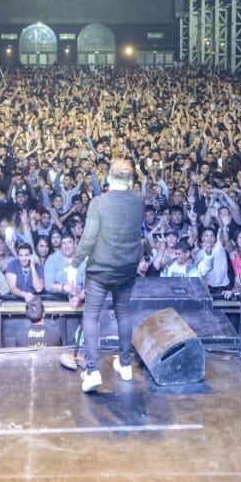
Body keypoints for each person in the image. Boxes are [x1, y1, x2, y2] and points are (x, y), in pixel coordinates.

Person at [70, 159, 144, 394]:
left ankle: (91, 371)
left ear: (108, 179)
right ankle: (125, 365)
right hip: (127, 268)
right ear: (131, 181)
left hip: (101, 269)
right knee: (123, 313)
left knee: (91, 316)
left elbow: (89, 238)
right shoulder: (140, 200)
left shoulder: (99, 203)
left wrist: (74, 264)